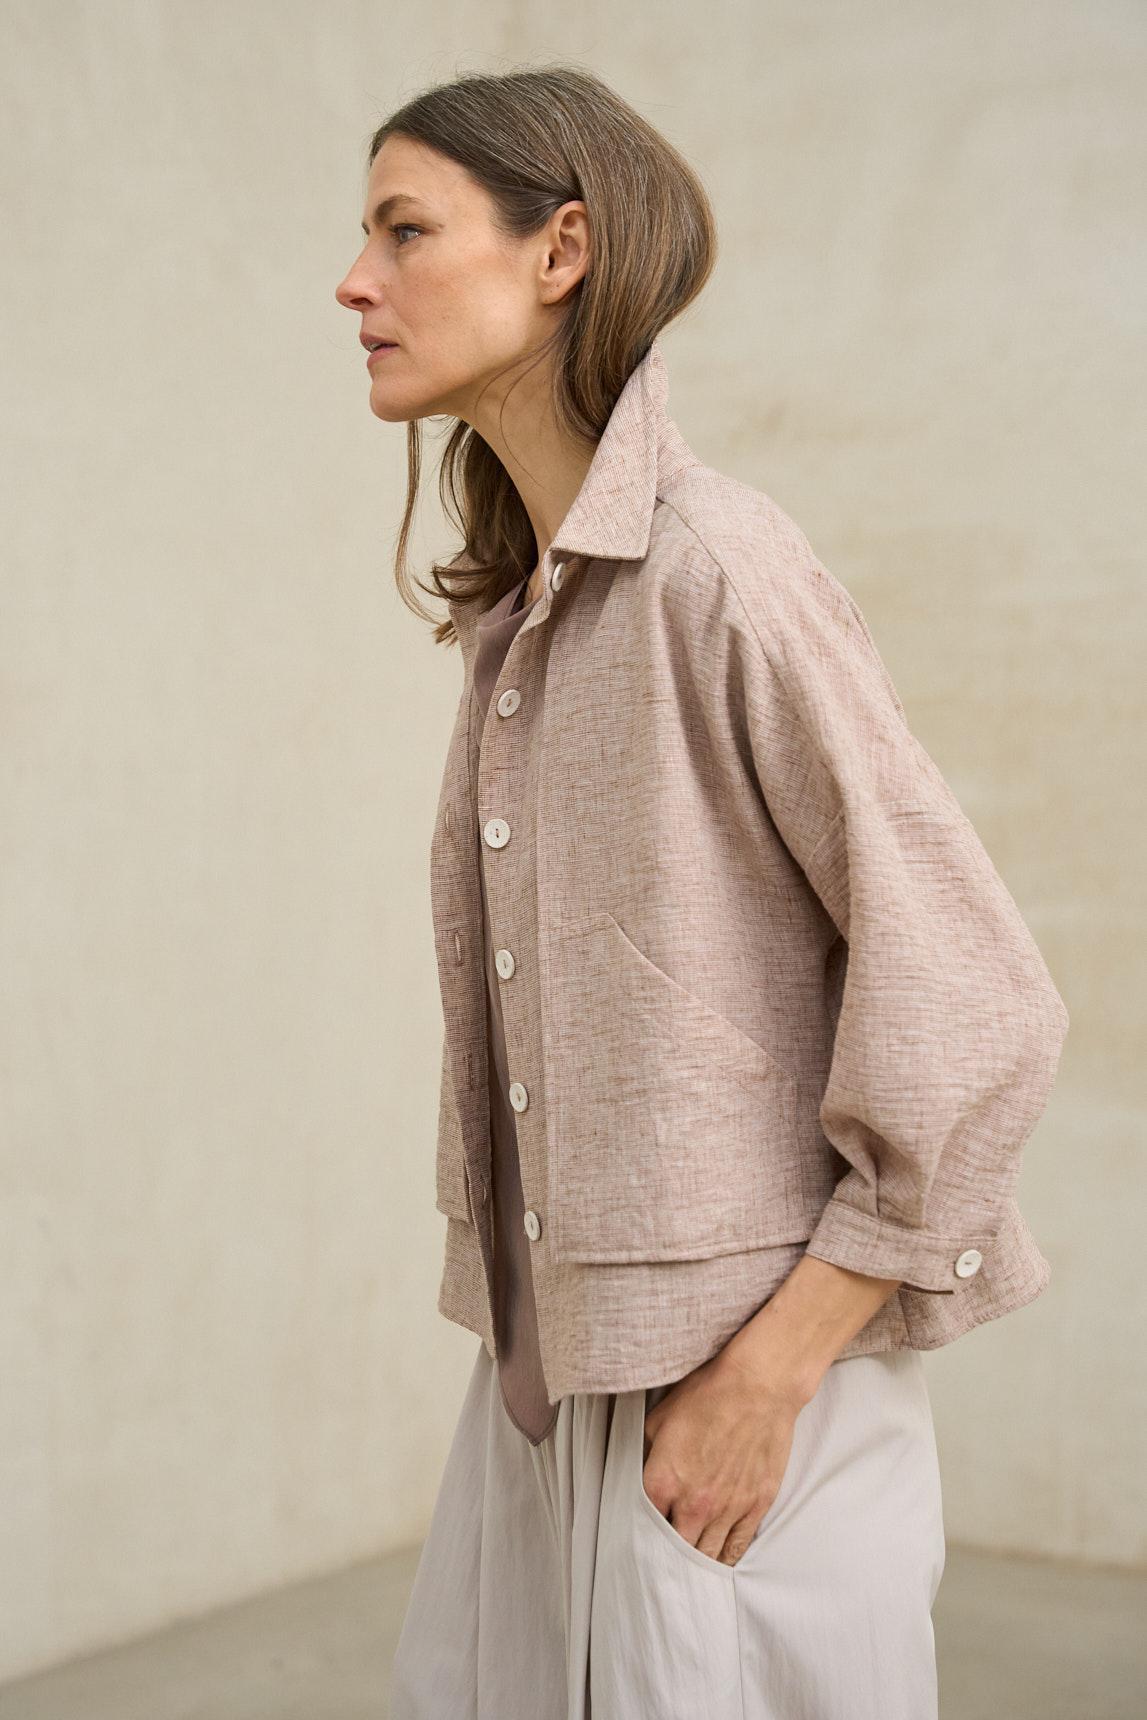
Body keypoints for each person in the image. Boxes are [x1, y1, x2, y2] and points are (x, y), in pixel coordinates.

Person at [335, 64, 1069, 1720]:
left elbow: (981, 1003)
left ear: (561, 250)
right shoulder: (524, 625)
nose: (355, 283)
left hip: (738, 1412)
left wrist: (770, 1375)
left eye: (403, 231)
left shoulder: (715, 571)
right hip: (554, 1388)